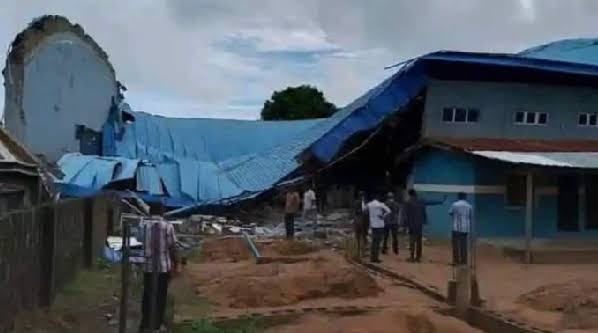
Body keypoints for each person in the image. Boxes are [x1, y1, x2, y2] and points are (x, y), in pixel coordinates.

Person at [139, 202, 179, 332]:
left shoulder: (143, 225)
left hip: (148, 267)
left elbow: (140, 240)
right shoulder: (168, 226)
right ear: (162, 212)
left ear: (150, 212)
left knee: (147, 294)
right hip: (163, 267)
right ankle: (156, 324)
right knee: (161, 296)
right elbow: (173, 247)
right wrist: (176, 263)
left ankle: (145, 323)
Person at [363, 193, 391, 263]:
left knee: (373, 242)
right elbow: (389, 211)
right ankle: (376, 258)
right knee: (377, 242)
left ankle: (372, 258)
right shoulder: (380, 204)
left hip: (373, 225)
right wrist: (383, 216)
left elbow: (364, 210)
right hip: (379, 225)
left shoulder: (370, 204)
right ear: (378, 198)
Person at [402, 189, 427, 262]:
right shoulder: (420, 202)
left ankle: (412, 257)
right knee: (419, 241)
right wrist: (424, 221)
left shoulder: (408, 202)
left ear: (409, 194)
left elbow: (405, 214)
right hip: (419, 224)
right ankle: (418, 257)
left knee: (412, 241)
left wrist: (404, 225)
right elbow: (424, 212)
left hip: (411, 224)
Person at [449, 192, 473, 265]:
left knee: (455, 245)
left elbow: (450, 213)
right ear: (465, 197)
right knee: (464, 245)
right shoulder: (469, 206)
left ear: (458, 197)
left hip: (456, 227)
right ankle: (464, 261)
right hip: (465, 228)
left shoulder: (455, 204)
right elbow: (470, 216)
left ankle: (456, 261)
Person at [353, 191, 369, 256]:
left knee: (360, 237)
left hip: (360, 221)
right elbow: (357, 211)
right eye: (362, 196)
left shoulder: (364, 203)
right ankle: (361, 251)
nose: (363, 197)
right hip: (361, 221)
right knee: (361, 236)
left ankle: (361, 251)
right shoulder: (359, 202)